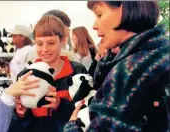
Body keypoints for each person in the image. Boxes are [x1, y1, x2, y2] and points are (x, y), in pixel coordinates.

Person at [64, 1, 169, 132]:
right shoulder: (160, 52)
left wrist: (72, 125)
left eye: (99, 14)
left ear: (126, 8)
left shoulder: (130, 69)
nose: (94, 25)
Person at [8, 15, 87, 132]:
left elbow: (86, 115)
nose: (44, 49)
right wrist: (20, 114)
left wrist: (60, 106)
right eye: (39, 44)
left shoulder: (78, 72)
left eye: (51, 43)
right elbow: (17, 127)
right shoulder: (26, 75)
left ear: (63, 40)